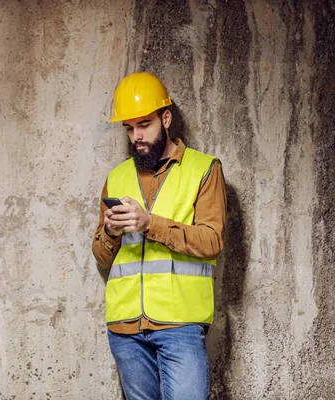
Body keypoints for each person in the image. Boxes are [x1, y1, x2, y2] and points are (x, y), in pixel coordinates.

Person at [92, 72, 227, 400]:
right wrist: (110, 231)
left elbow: (212, 242)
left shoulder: (204, 169)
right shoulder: (117, 176)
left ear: (165, 118)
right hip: (124, 329)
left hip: (180, 325)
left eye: (144, 125)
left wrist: (149, 223)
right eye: (128, 127)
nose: (136, 136)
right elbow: (101, 255)